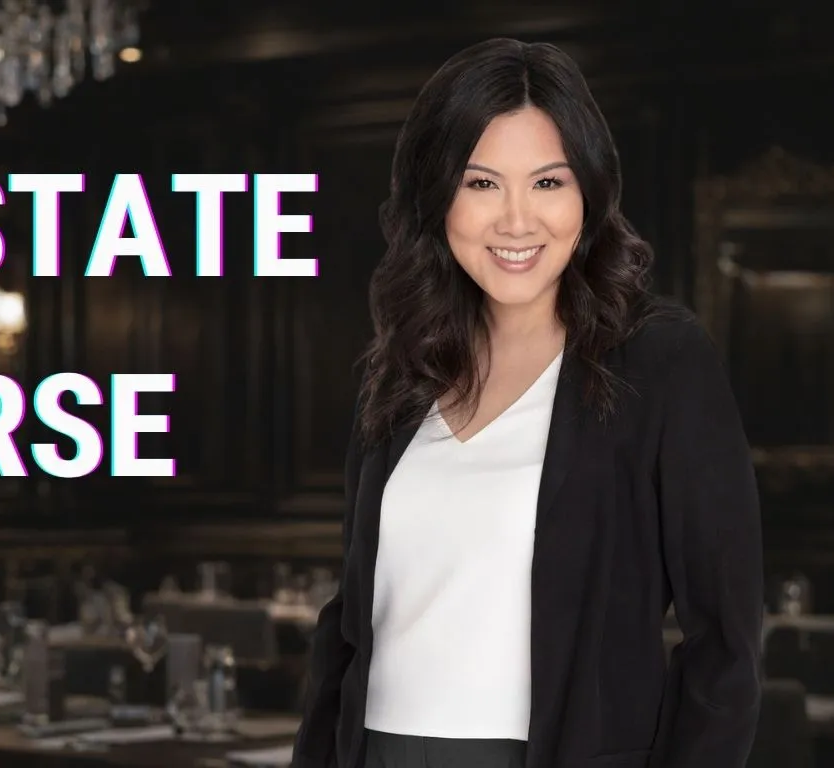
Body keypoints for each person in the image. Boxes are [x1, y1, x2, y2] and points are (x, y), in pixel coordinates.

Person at [291, 38, 764, 768]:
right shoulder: (400, 368)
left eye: (548, 183)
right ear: (436, 195)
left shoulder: (660, 361)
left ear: (590, 194)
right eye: (481, 184)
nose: (517, 220)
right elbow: (349, 626)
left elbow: (725, 644)